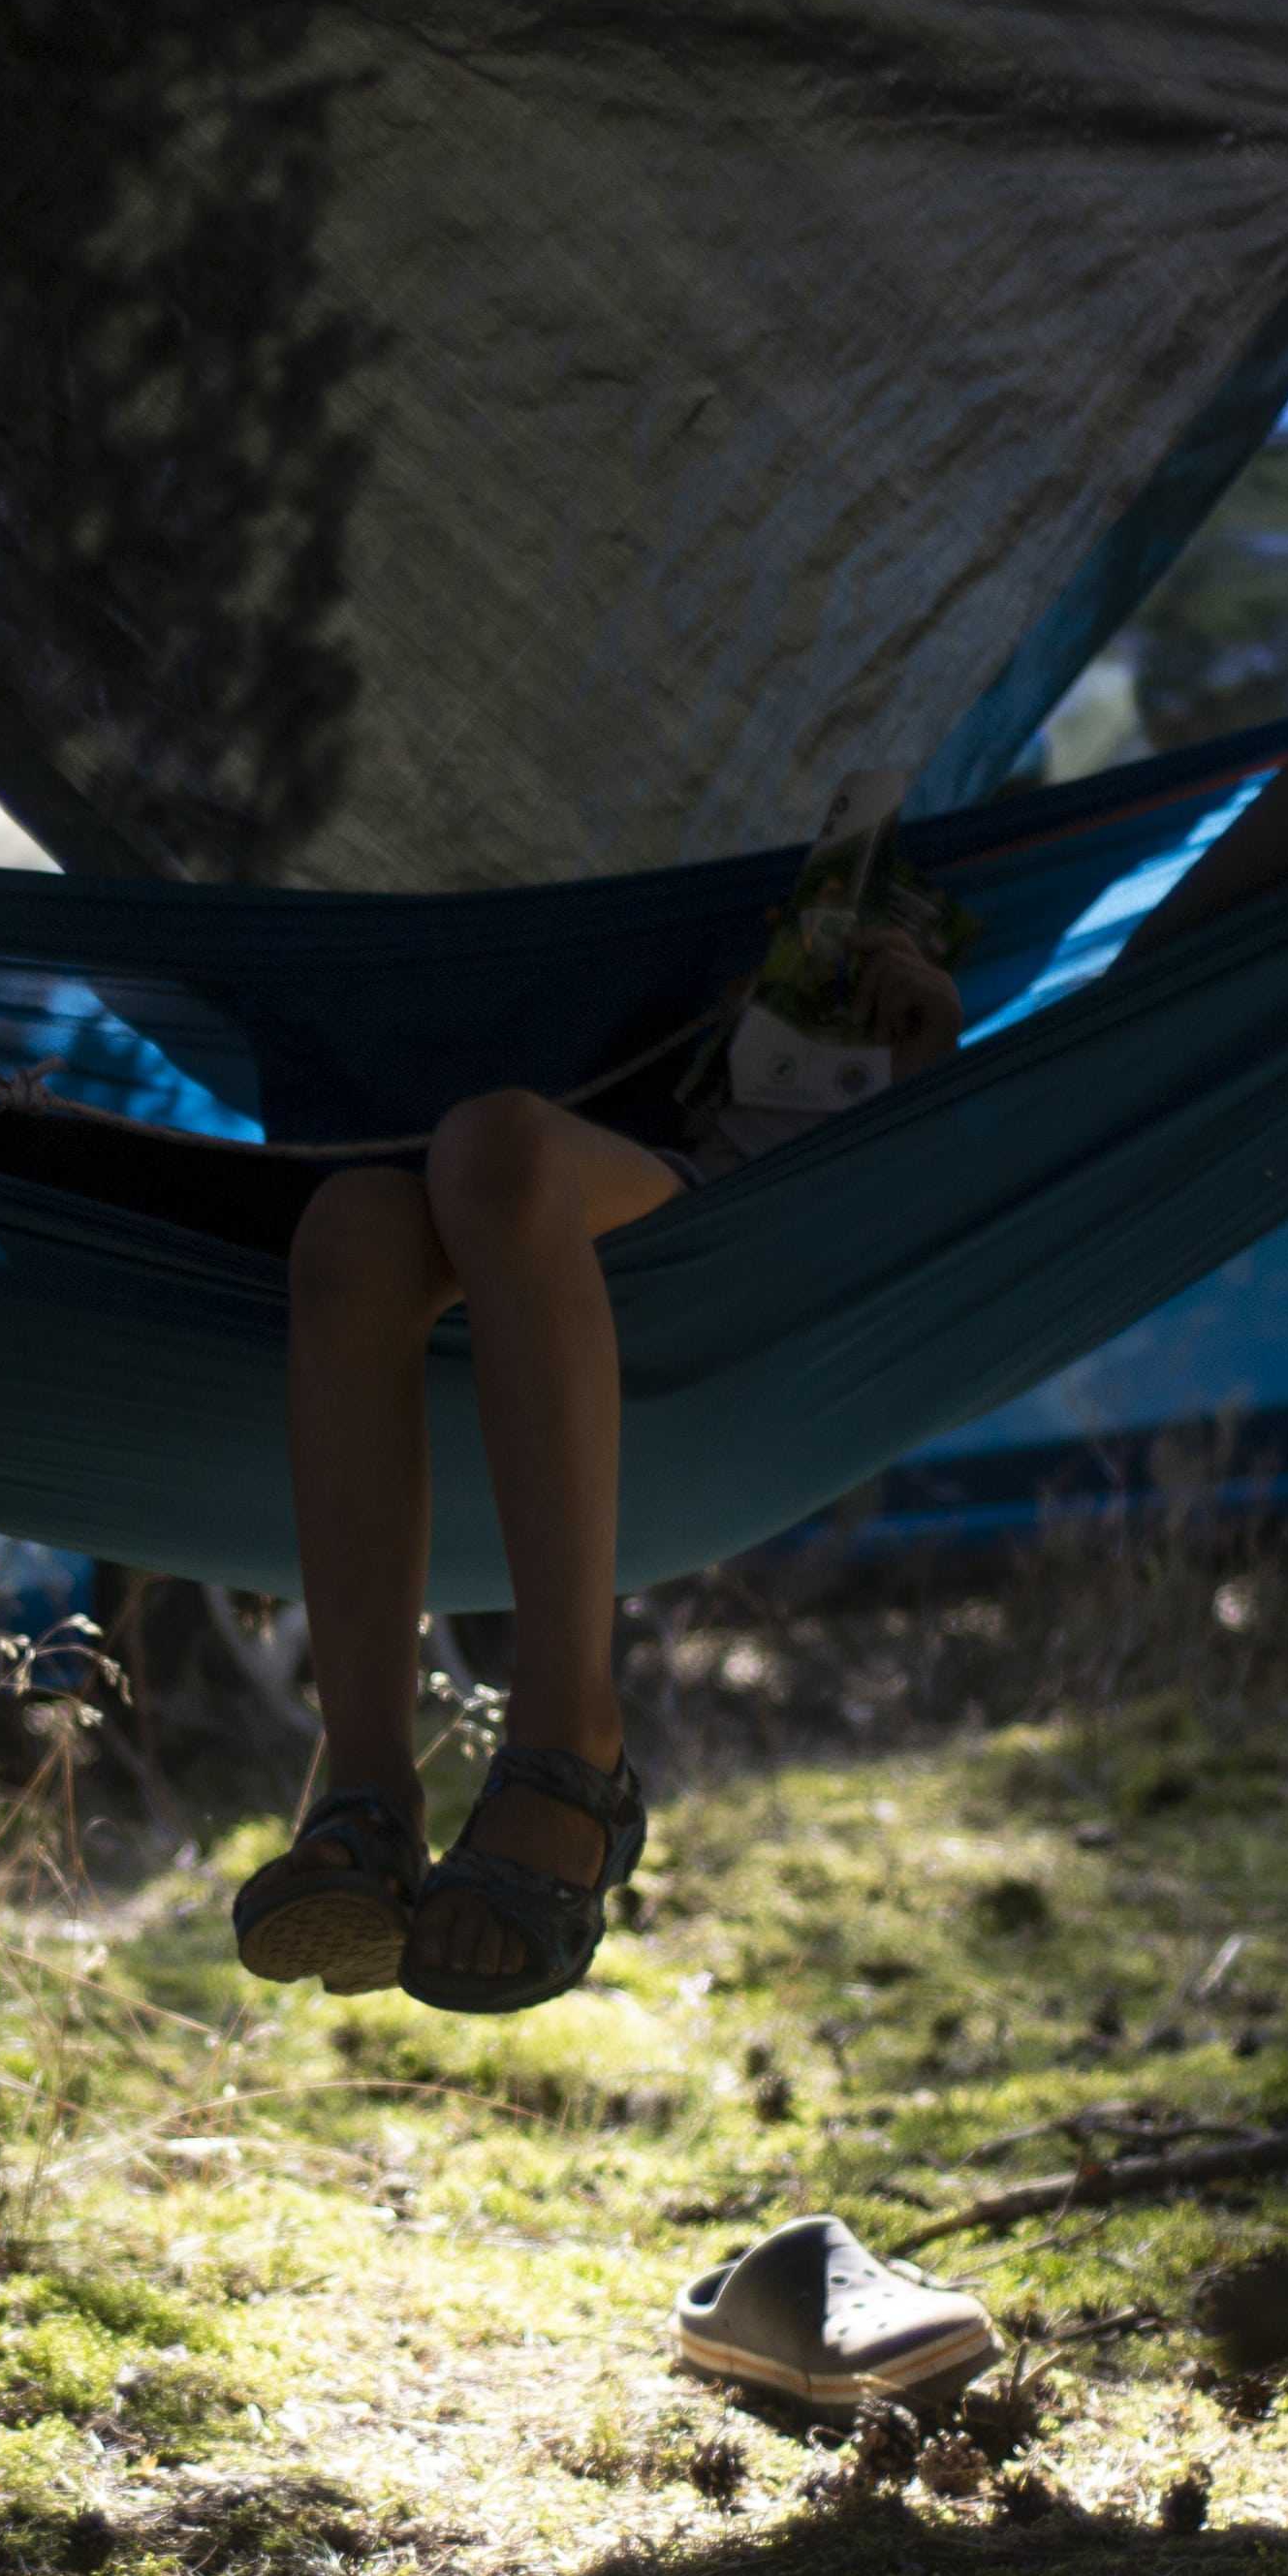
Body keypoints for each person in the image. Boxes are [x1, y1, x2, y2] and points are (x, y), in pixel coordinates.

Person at [231, 776, 965, 2013]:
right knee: (349, 1226)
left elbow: (929, 1186)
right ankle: (364, 1783)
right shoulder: (600, 800)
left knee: (498, 1147)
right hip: (514, 1168)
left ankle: (573, 1741)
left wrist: (920, 1037)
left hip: (720, 1215)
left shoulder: (863, 812)